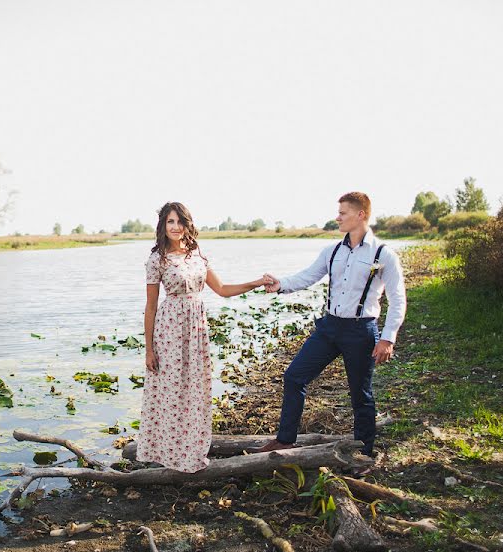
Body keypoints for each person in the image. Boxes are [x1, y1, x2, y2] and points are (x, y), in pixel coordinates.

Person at [256, 192, 406, 459]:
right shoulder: (332, 251)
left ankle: (364, 454)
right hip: (329, 328)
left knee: (360, 395)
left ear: (361, 215)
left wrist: (387, 338)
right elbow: (308, 276)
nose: (337, 217)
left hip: (361, 331)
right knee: (294, 376)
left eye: (343, 213)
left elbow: (398, 299)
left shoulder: (384, 254)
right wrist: (280, 285)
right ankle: (285, 440)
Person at [137, 201, 268, 473]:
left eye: (180, 222)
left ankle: (191, 451)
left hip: (196, 329)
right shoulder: (156, 260)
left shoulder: (196, 254)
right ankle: (165, 453)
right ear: (162, 226)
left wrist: (254, 283)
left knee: (195, 389)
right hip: (170, 329)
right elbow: (150, 307)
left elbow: (221, 289)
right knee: (170, 390)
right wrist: (149, 349)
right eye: (170, 222)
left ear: (188, 225)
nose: (175, 227)